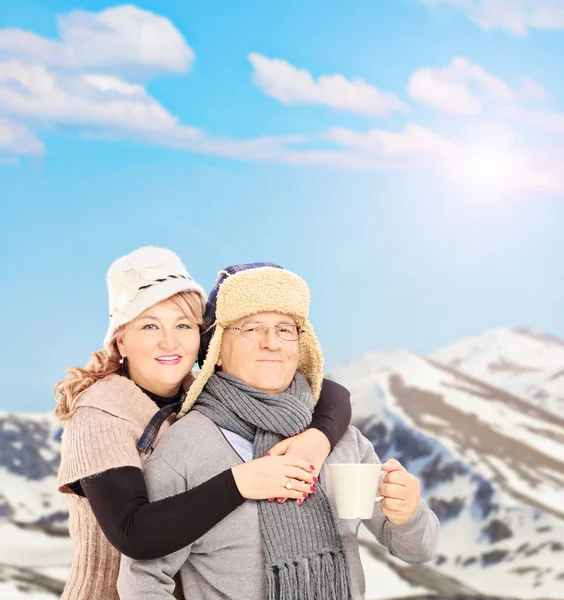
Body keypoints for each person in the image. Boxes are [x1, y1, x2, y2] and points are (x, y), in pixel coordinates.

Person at [118, 264, 440, 600]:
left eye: (285, 329)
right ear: (215, 348)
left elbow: (418, 549)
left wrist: (408, 515)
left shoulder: (343, 442)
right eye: (252, 328)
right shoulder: (185, 449)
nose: (272, 343)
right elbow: (143, 578)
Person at [55, 249, 353, 600]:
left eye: (183, 325)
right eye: (150, 325)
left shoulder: (197, 394)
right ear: (121, 339)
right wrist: (239, 483)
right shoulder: (101, 413)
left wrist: (318, 438)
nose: (170, 341)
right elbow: (132, 533)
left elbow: (331, 393)